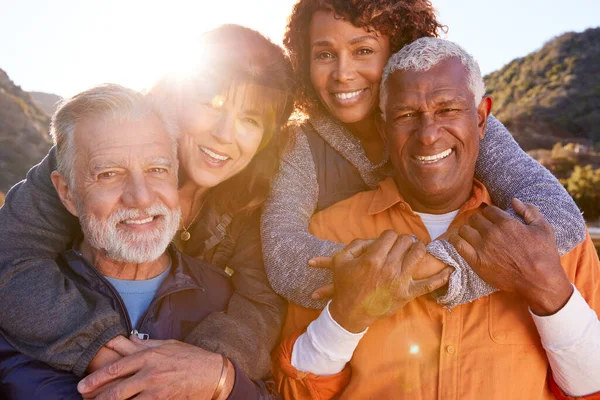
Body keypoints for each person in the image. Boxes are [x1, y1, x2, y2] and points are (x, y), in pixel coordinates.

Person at [273, 38, 600, 399]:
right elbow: (297, 391)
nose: (428, 135)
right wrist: (346, 317)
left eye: (447, 110)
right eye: (407, 115)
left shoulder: (551, 238)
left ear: (480, 118)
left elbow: (591, 387)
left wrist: (547, 289)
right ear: (383, 128)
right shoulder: (328, 232)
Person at [0, 24, 293, 397]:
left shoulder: (262, 199)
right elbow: (9, 252)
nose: (225, 133)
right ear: (177, 97)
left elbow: (261, 305)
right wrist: (106, 352)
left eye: (250, 120)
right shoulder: (96, 146)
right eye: (212, 104)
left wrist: (191, 371)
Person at [262, 0, 586, 310]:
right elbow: (283, 256)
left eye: (363, 50)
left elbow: (557, 215)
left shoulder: (456, 120)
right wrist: (386, 277)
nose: (343, 73)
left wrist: (426, 268)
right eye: (324, 54)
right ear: (304, 62)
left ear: (397, 49)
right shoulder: (301, 145)